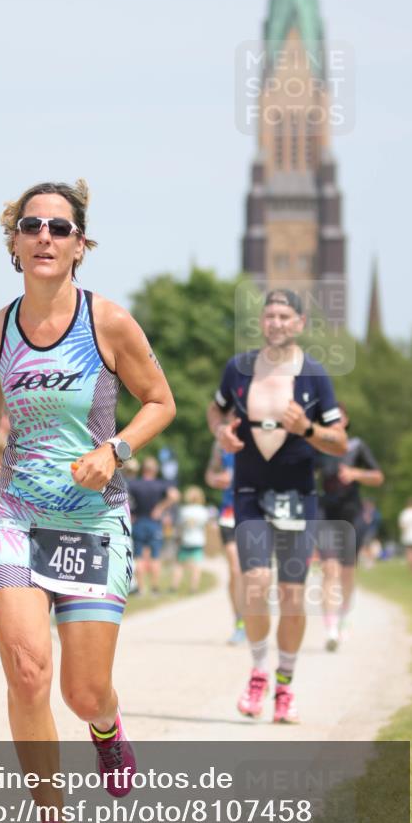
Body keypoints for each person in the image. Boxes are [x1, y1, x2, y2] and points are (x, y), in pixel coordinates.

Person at [0, 179, 176, 823]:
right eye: (31, 225)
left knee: (82, 691)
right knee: (25, 669)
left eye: (59, 226)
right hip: (17, 511)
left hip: (91, 521)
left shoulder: (107, 322)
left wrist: (115, 450)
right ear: (14, 242)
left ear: (80, 244)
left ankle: (105, 728)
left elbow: (160, 402)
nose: (44, 236)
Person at [207, 289, 346, 724]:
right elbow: (215, 411)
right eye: (270, 315)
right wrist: (221, 434)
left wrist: (306, 428)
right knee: (254, 583)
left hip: (298, 496)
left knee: (290, 596)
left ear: (300, 323)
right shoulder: (239, 368)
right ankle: (258, 672)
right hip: (250, 493)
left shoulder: (315, 376)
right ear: (262, 322)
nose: (276, 322)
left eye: (285, 316)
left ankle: (285, 685)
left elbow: (339, 441)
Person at [317, 403, 384, 650]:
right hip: (325, 512)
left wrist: (357, 474)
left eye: (339, 417)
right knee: (328, 570)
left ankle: (344, 615)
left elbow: (378, 476)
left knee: (346, 573)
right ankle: (330, 628)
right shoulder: (318, 447)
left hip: (351, 514)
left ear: (346, 420)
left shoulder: (357, 446)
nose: (334, 421)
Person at [206, 441, 245, 644]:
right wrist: (217, 480)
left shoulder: (261, 436)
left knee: (255, 573)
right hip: (229, 513)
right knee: (236, 569)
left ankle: (254, 619)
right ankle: (240, 622)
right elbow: (210, 475)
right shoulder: (221, 444)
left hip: (255, 513)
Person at [127, 456, 180, 595]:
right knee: (155, 557)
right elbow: (174, 496)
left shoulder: (134, 484)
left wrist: (130, 514)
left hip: (138, 522)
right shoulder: (160, 484)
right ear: (155, 470)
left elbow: (124, 499)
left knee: (138, 557)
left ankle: (141, 588)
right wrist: (160, 508)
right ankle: (155, 588)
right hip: (154, 523)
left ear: (143, 469)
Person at [171, 486, 210, 592]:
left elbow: (179, 525)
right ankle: (193, 587)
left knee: (179, 564)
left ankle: (174, 586)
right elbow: (206, 526)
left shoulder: (184, 510)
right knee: (197, 565)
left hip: (185, 540)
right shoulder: (203, 510)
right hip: (198, 540)